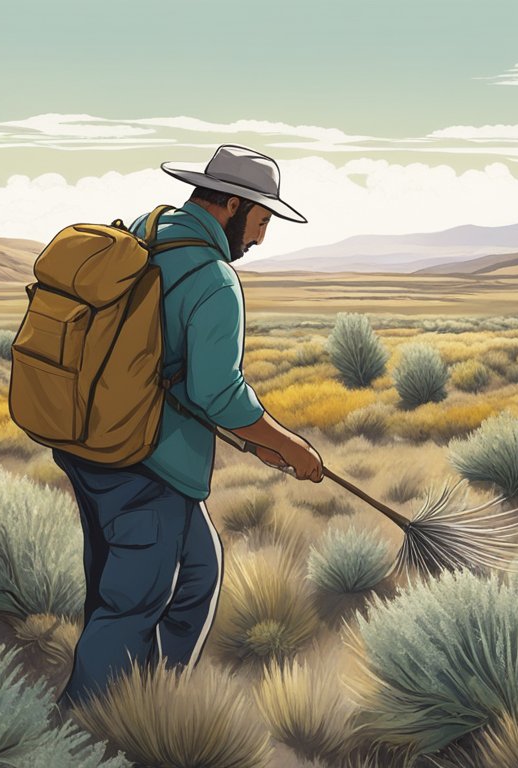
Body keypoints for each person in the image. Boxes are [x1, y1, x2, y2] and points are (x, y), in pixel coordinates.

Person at [52, 144, 324, 709]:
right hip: (144, 462)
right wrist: (289, 447)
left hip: (86, 443)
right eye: (261, 219)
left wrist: (264, 444)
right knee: (130, 604)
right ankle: (82, 731)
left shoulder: (144, 234)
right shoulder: (213, 278)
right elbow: (216, 392)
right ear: (230, 204)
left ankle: (154, 700)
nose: (260, 237)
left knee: (196, 569)